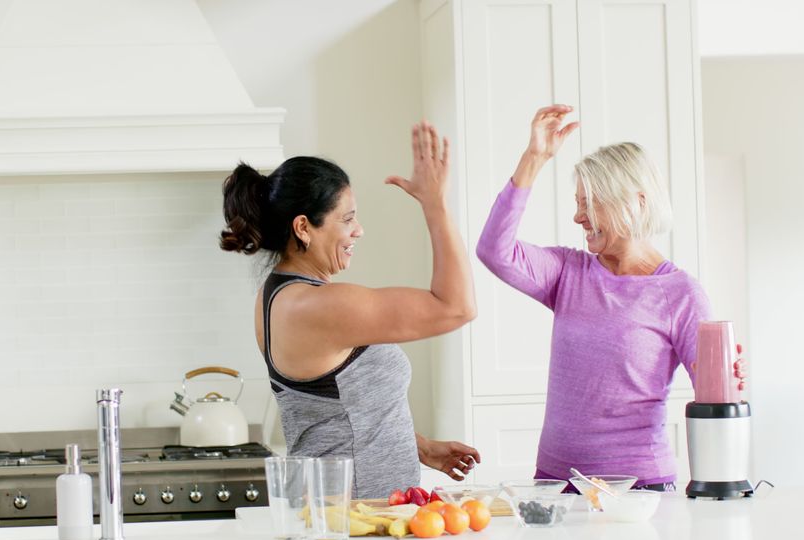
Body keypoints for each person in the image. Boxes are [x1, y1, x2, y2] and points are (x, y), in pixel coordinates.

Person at [476, 105, 747, 491]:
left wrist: (731, 379)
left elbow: (715, 393)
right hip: (556, 483)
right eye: (577, 202)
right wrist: (534, 159)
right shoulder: (568, 273)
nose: (578, 217)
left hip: (638, 489)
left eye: (589, 202)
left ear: (635, 201)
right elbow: (493, 251)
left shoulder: (680, 293)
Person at [219, 122, 480, 499]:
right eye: (347, 218)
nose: (359, 230)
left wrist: (418, 446)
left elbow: (331, 408)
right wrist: (435, 203)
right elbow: (456, 307)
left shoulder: (276, 294)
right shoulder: (320, 306)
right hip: (348, 522)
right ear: (304, 228)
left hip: (340, 513)